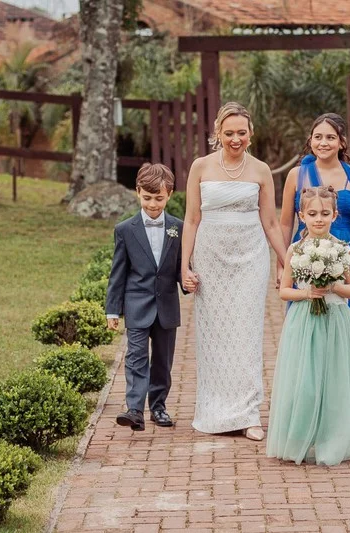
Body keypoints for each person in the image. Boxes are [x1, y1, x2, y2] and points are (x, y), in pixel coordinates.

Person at [181, 102, 288, 441]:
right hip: (210, 257)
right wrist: (184, 265)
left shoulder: (261, 170)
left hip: (250, 258)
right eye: (229, 133)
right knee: (213, 335)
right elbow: (191, 219)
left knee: (246, 335)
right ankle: (215, 411)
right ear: (218, 132)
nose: (235, 139)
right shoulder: (200, 166)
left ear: (251, 133)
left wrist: (287, 261)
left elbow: (271, 222)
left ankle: (248, 414)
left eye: (242, 132)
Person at [267, 185, 350, 465]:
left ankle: (332, 441)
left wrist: (332, 284)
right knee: (305, 383)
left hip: (335, 321)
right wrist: (307, 293)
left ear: (335, 215)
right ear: (302, 216)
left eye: (325, 213)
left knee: (333, 381)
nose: (319, 219)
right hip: (304, 321)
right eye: (312, 214)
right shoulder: (295, 250)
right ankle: (299, 438)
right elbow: (284, 291)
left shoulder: (342, 250)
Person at [279, 113, 350, 337]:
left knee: (342, 324)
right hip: (306, 253)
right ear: (310, 140)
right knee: (307, 324)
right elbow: (285, 224)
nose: (323, 143)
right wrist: (281, 265)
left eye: (330, 137)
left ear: (342, 142)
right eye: (318, 137)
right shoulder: (296, 175)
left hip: (345, 253)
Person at [105, 163, 183, 431]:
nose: (152, 204)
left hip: (167, 306)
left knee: (162, 361)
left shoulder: (178, 228)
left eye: (159, 198)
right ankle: (135, 409)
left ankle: (158, 407)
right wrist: (112, 310)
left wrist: (189, 282)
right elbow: (118, 272)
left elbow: (181, 266)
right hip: (137, 305)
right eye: (147, 197)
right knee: (136, 357)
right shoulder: (125, 229)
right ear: (137, 191)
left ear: (169, 194)